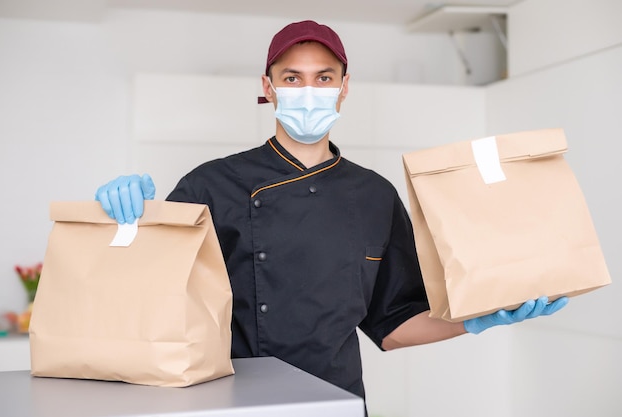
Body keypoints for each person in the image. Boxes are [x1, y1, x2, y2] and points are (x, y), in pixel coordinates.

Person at [95, 20, 568, 402]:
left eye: (323, 77)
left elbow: (392, 325)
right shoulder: (211, 184)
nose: (309, 90)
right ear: (269, 86)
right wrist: (127, 222)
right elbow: (145, 294)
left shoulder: (375, 195)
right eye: (292, 78)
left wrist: (478, 319)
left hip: (335, 402)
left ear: (344, 87)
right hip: (231, 401)